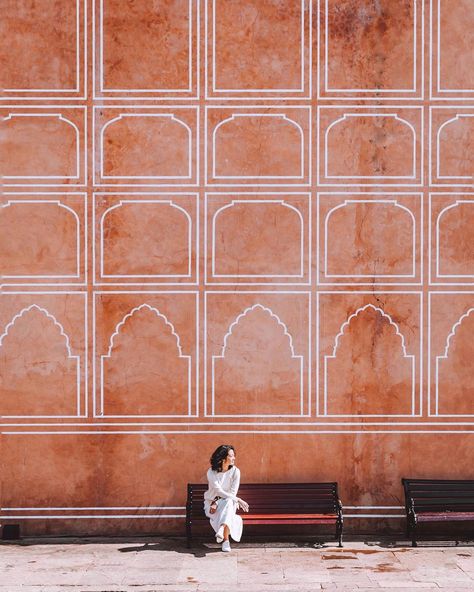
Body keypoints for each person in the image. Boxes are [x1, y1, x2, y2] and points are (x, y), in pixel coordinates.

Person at [203, 444, 249, 552]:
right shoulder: (211, 472)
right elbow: (218, 490)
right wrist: (238, 499)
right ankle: (225, 541)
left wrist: (232, 499)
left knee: (228, 502)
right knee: (229, 502)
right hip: (211, 504)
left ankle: (222, 529)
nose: (234, 458)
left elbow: (233, 492)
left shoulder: (235, 472)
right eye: (231, 456)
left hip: (228, 502)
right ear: (223, 458)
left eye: (234, 455)